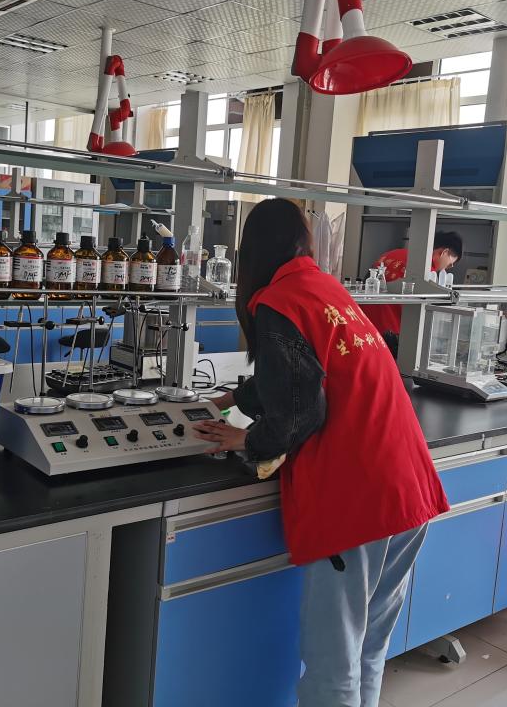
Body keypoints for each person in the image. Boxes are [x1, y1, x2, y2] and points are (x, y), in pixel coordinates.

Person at [192, 199, 449, 707]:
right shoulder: (325, 287)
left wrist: (248, 440)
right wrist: (236, 399)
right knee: (368, 648)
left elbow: (300, 411)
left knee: (333, 664)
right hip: (407, 487)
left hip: (358, 499)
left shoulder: (278, 300)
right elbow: (303, 374)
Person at [365, 231, 463, 353]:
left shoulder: (390, 254)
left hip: (364, 323)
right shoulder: (427, 271)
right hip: (391, 333)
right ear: (444, 252)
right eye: (450, 264)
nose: (446, 268)